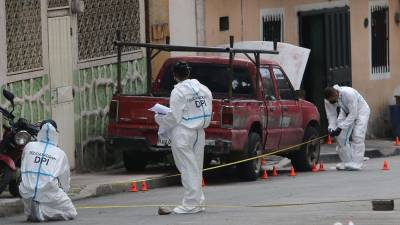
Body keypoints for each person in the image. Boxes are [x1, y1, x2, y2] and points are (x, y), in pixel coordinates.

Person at [155, 61, 212, 214]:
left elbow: (174, 117)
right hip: (199, 132)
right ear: (188, 73)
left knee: (187, 168)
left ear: (174, 76)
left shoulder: (178, 92)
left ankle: (191, 203)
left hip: (183, 133)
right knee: (196, 168)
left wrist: (159, 118)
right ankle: (198, 201)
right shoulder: (203, 89)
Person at [19, 120, 77, 222]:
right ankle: (42, 214)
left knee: (30, 203)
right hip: (48, 191)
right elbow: (65, 180)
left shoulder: (29, 146)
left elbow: (23, 164)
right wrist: (64, 192)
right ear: (56, 133)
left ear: (40, 132)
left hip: (26, 191)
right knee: (70, 212)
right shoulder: (60, 153)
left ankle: (32, 210)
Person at [324, 85, 370, 171]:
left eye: (334, 100)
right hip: (345, 111)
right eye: (331, 101)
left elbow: (353, 114)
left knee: (358, 135)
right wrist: (331, 128)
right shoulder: (328, 100)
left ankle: (357, 163)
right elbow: (331, 115)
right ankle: (347, 162)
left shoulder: (349, 93)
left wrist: (341, 127)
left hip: (361, 111)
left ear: (336, 94)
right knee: (340, 137)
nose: (333, 102)